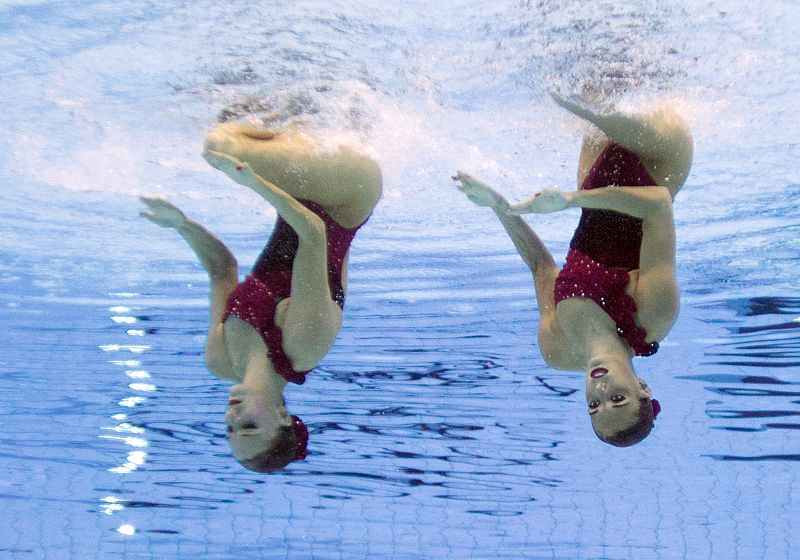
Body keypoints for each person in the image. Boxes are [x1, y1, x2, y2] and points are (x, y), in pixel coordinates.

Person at [454, 93, 693, 446]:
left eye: (594, 405)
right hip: (657, 163)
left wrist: (498, 205)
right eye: (618, 398)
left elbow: (540, 266)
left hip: (595, 176)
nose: (600, 390)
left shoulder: (557, 349)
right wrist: (569, 200)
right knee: (583, 96)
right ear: (642, 388)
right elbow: (658, 204)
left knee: (587, 83)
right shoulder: (654, 316)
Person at [141, 122, 382, 470]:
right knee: (220, 146)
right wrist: (253, 182)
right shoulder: (304, 345)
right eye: (250, 426)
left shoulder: (221, 359)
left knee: (239, 119)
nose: (233, 417)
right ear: (282, 416)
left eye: (229, 429)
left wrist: (181, 224)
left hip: (300, 194)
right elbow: (313, 232)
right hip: (344, 194)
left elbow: (221, 268)